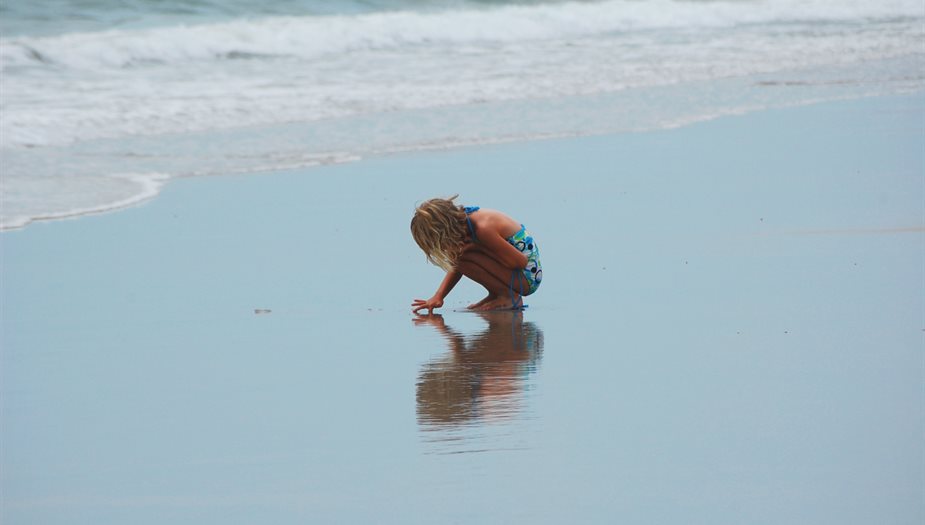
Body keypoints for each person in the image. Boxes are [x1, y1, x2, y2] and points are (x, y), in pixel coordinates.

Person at [410, 195, 542, 313]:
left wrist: (477, 247)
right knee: (460, 254)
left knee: (462, 254)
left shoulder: (482, 229)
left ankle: (508, 296)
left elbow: (521, 262)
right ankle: (497, 293)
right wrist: (438, 296)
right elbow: (458, 264)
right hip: (517, 275)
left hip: (528, 278)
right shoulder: (464, 221)